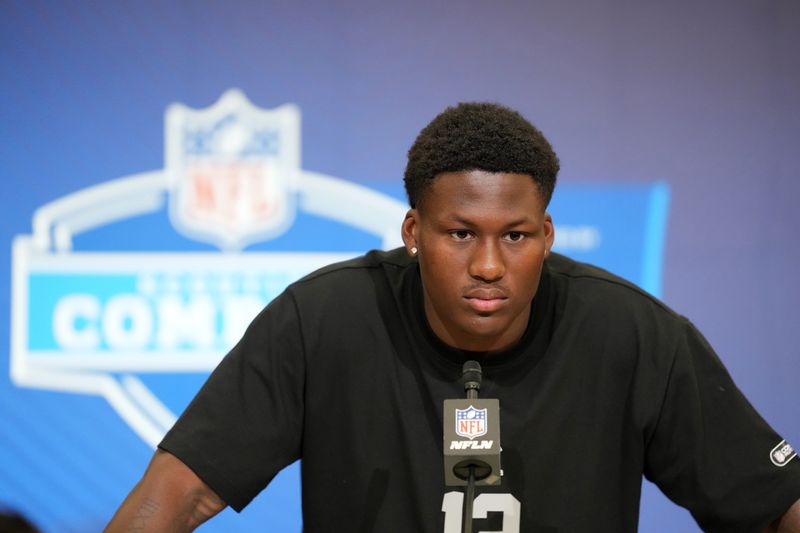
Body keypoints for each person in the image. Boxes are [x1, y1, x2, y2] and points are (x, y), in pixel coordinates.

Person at [106, 103, 800, 532]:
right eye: (461, 233)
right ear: (413, 231)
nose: (491, 264)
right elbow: (179, 494)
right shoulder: (322, 320)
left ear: (549, 235)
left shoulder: (635, 335)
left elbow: (772, 506)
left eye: (517, 235)